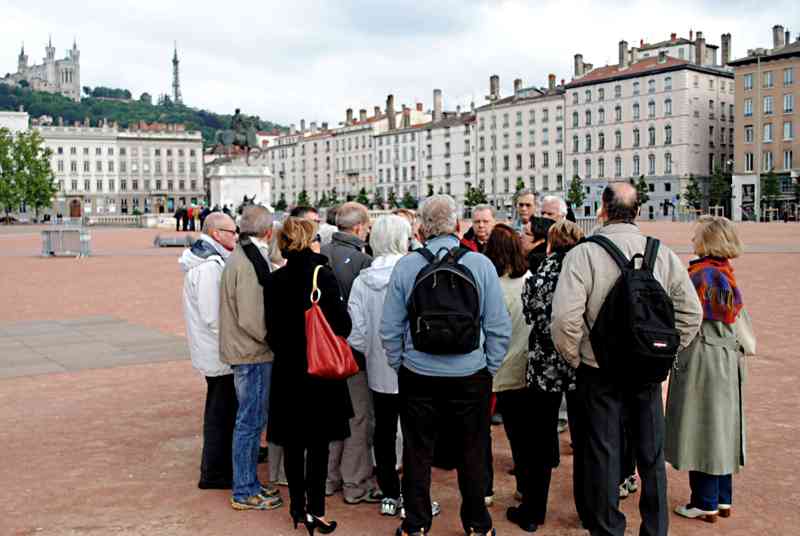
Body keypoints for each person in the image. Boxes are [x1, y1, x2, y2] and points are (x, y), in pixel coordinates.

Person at [551, 182, 702, 536]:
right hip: (647, 371)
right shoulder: (661, 253)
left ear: (602, 209)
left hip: (599, 370)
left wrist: (578, 357)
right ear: (639, 211)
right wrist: (665, 351)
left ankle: (608, 529)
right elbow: (690, 313)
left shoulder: (583, 254)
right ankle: (655, 528)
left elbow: (564, 320)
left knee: (603, 454)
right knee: (651, 456)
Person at [380, 195, 511, 536]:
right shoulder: (480, 265)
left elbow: (390, 328)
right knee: (472, 451)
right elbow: (498, 325)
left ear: (421, 230)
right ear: (457, 226)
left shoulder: (407, 266)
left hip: (418, 374)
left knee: (417, 451)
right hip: (470, 373)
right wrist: (488, 368)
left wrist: (401, 364)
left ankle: (416, 523)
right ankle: (477, 525)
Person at [264, 217, 353, 535]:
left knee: (291, 444)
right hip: (320, 372)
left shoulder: (274, 280)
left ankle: (297, 509)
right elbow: (343, 326)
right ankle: (316, 511)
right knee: (318, 447)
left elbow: (271, 335)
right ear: (310, 240)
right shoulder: (322, 275)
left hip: (287, 373)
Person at [666, 216, 756, 523]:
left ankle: (704, 500)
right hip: (726, 359)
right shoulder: (724, 272)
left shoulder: (701, 275)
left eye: (697, 235)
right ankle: (721, 497)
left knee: (701, 425)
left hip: (704, 359)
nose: (693, 239)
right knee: (722, 427)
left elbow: (685, 316)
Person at [509, 220, 585, 532]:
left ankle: (532, 511)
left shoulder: (543, 271)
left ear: (551, 243)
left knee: (538, 440)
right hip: (582, 362)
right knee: (587, 440)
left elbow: (531, 311)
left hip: (544, 363)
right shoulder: (584, 269)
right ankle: (589, 509)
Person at [346, 215, 412, 517]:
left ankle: (388, 492)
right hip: (412, 366)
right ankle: (412, 494)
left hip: (377, 366)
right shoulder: (412, 273)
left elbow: (355, 332)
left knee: (383, 429)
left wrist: (373, 349)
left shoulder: (363, 280)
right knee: (415, 432)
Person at [220, 205, 283, 511]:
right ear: (268, 232)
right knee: (249, 423)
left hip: (248, 351)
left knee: (250, 421)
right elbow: (251, 317)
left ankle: (248, 484)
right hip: (252, 353)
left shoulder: (244, 255)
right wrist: (275, 339)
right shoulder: (248, 262)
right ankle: (244, 489)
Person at [320, 202, 379, 504]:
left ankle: (328, 479)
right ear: (359, 228)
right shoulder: (362, 260)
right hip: (351, 352)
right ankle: (355, 482)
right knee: (357, 418)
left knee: (330, 416)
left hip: (321, 351)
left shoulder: (321, 255)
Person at [179, 212, 239, 490]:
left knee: (221, 410)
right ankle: (215, 472)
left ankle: (217, 468)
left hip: (214, 349)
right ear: (217, 233)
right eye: (232, 231)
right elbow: (213, 316)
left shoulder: (206, 261)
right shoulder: (208, 266)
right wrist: (233, 343)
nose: (236, 235)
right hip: (217, 352)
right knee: (220, 413)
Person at [482, 224, 532, 509]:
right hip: (520, 366)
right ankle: (524, 487)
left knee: (480, 433)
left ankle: (485, 488)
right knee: (520, 434)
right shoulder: (529, 279)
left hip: (489, 367)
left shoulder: (487, 283)